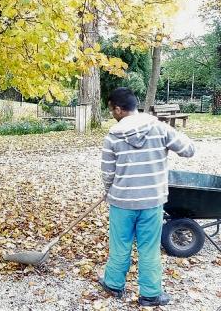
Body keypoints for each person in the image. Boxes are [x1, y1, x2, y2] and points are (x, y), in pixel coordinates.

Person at [99, 87, 195, 307]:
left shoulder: (112, 136)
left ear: (119, 109)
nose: (112, 114)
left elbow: (107, 173)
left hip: (121, 203)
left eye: (112, 110)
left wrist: (108, 191)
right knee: (149, 248)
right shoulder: (159, 128)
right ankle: (150, 295)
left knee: (120, 245)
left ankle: (113, 285)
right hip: (152, 202)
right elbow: (188, 150)